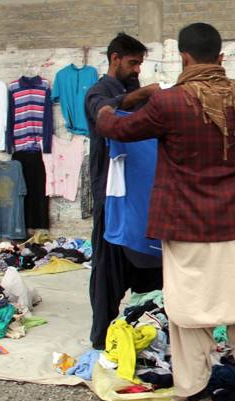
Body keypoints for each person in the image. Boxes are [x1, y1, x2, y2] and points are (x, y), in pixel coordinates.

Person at [96, 23, 235, 401]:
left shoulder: (169, 103)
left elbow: (117, 129)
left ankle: (197, 399)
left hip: (187, 225)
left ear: (184, 57)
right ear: (221, 58)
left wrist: (106, 107)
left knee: (188, 313)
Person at [84, 33, 163, 350]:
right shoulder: (97, 93)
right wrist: (142, 94)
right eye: (133, 63)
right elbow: (105, 112)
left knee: (152, 267)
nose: (137, 70)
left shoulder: (138, 94)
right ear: (115, 58)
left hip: (143, 197)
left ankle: (148, 330)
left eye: (140, 64)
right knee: (108, 272)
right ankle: (101, 338)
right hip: (112, 197)